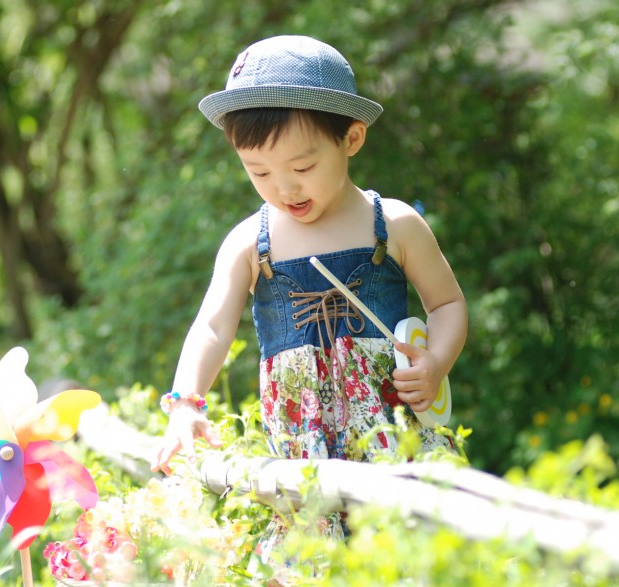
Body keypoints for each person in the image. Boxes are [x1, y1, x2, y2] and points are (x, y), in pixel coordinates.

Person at [149, 34, 468, 570]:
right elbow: (211, 328)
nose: (283, 188)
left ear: (352, 138)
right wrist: (185, 404)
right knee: (312, 568)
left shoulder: (391, 225)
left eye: (301, 167)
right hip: (302, 452)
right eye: (259, 173)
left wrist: (436, 362)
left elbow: (448, 304)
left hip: (392, 434)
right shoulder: (250, 242)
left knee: (409, 561)